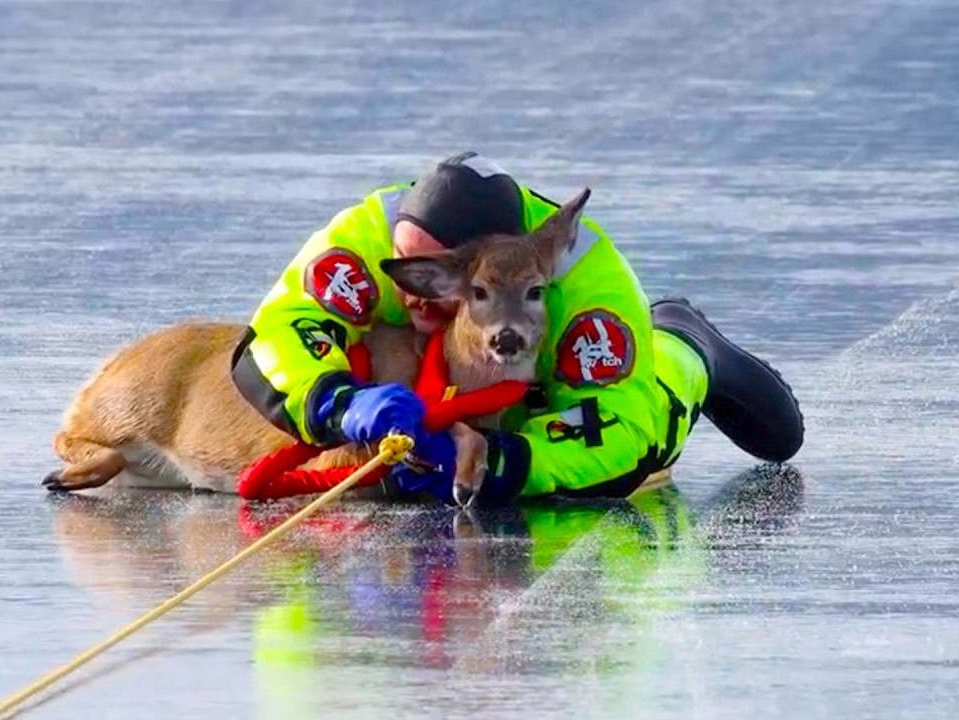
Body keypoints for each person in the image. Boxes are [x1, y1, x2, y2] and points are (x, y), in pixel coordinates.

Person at [229, 152, 803, 504]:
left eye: (437, 275)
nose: (410, 295)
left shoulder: (588, 288)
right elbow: (281, 329)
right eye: (411, 264)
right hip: (453, 369)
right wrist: (338, 402)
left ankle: (686, 340)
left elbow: (621, 433)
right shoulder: (371, 236)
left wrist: (506, 463)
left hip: (560, 374)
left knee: (689, 414)